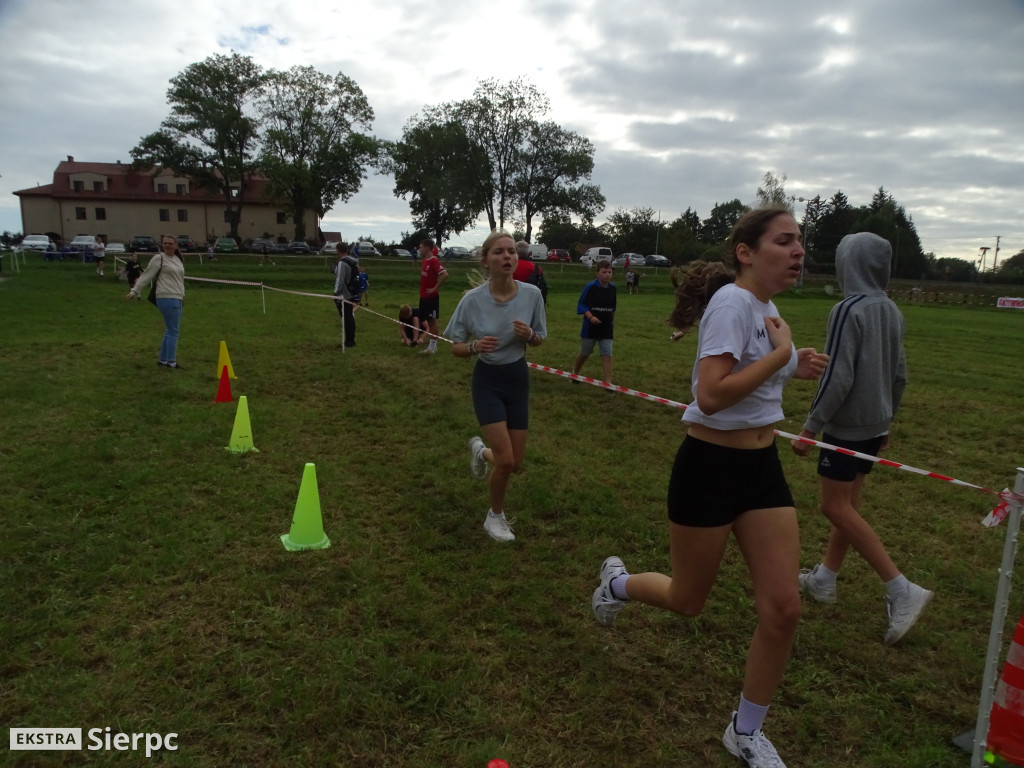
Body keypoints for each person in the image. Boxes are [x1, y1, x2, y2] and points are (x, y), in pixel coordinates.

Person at [590, 207, 828, 768]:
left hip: (761, 469)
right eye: (785, 241)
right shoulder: (731, 303)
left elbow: (757, 369)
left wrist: (794, 362)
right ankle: (617, 584)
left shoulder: (766, 309)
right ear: (746, 252)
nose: (798, 251)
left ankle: (745, 731)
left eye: (801, 242)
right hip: (709, 468)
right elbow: (713, 394)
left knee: (784, 609)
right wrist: (780, 355)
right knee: (687, 600)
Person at [791, 231, 932, 645]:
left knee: (834, 507)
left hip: (846, 429)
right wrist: (886, 422)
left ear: (848, 264)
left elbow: (837, 376)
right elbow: (900, 374)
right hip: (874, 428)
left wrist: (811, 426)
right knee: (848, 505)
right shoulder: (892, 310)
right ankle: (824, 580)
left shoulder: (846, 309)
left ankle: (902, 589)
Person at [444, 230, 547, 543]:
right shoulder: (472, 301)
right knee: (505, 461)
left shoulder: (532, 295)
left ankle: (479, 451)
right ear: (486, 260)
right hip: (487, 380)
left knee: (514, 463)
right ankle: (495, 517)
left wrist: (529, 335)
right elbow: (455, 347)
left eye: (511, 252)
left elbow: (540, 339)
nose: (507, 256)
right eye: (499, 252)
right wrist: (475, 346)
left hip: (517, 378)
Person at [125, 234, 187, 369]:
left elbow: (179, 280)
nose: (168, 245)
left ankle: (163, 360)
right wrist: (134, 292)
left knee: (170, 330)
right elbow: (146, 276)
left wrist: (182, 295)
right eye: (165, 243)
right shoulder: (159, 258)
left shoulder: (177, 259)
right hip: (166, 297)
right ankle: (171, 362)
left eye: (170, 243)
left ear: (176, 246)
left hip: (177, 297)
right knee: (173, 331)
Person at [571, 260, 616, 386]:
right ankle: (574, 373)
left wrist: (612, 322)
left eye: (610, 272)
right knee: (585, 352)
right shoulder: (590, 287)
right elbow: (582, 304)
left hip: (606, 328)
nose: (607, 274)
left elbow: (613, 308)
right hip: (590, 327)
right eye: (604, 272)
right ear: (597, 273)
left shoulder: (613, 289)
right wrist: (591, 317)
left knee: (607, 354)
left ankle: (608, 382)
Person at [418, 238, 449, 354]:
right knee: (425, 320)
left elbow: (445, 275)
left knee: (432, 321)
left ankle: (433, 347)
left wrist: (434, 288)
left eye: (421, 247)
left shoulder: (434, 261)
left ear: (427, 248)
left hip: (431, 297)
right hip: (423, 297)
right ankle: (427, 342)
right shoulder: (425, 261)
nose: (419, 249)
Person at [333, 243, 360, 348]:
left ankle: (348, 341)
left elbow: (340, 280)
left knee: (346, 318)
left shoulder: (342, 263)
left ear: (339, 250)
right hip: (351, 293)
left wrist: (336, 293)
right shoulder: (352, 261)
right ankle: (351, 340)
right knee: (349, 317)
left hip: (343, 295)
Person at [513, 240, 548, 304]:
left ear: (515, 252)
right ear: (528, 253)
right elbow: (543, 288)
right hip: (530, 302)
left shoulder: (509, 267)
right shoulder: (537, 269)